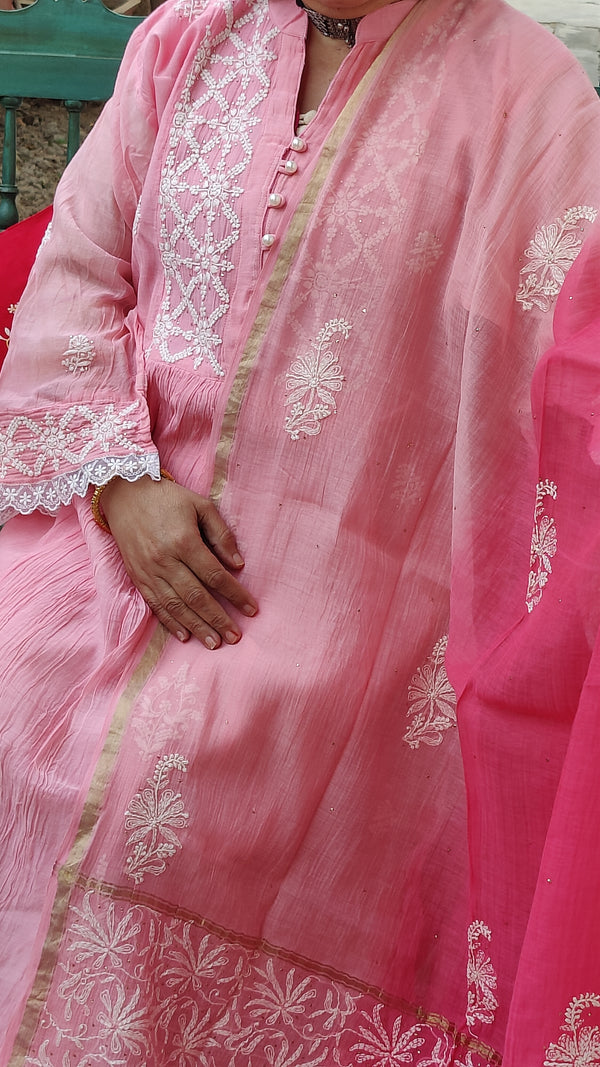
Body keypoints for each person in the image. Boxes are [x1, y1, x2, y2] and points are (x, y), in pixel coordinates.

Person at [1, 0, 600, 1061]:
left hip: (353, 606)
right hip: (99, 531)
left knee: (167, 792)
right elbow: (80, 275)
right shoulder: (185, 36)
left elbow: (566, 368)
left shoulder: (528, 92)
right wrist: (119, 485)